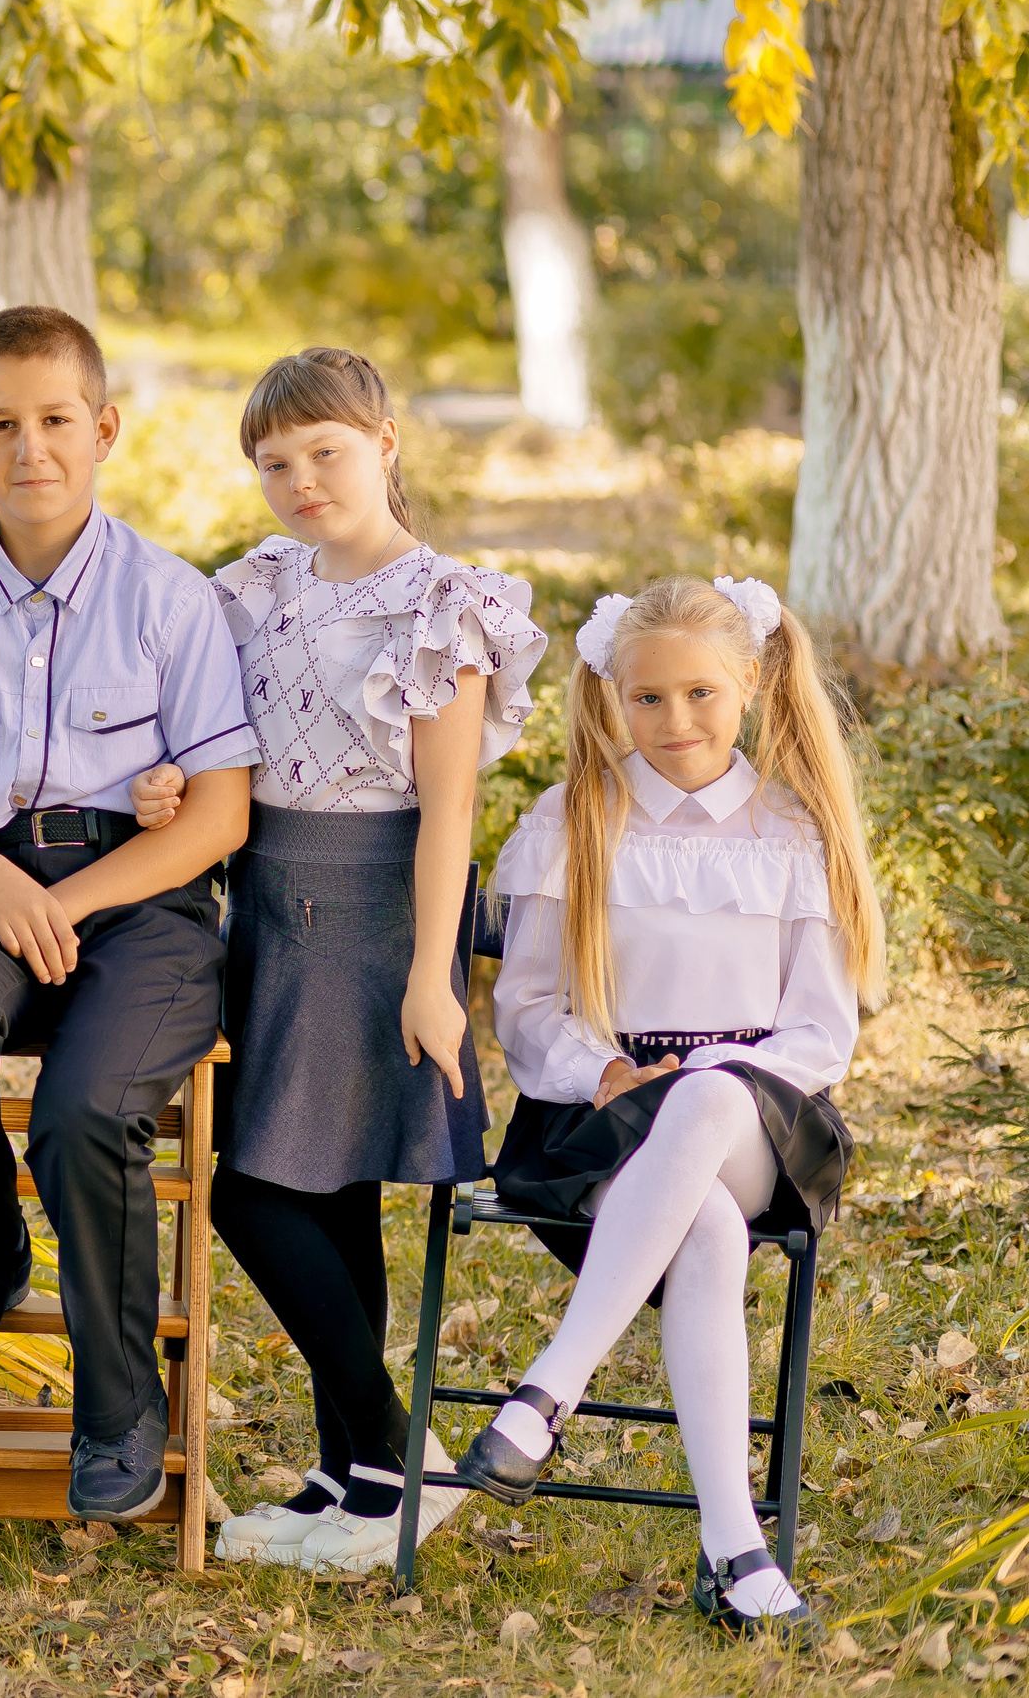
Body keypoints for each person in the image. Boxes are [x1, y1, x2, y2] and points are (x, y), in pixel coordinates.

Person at [136, 348, 547, 1572]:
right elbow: (215, 741)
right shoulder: (259, 585)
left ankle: (396, 1452)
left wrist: (432, 977)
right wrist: (166, 784)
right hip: (265, 902)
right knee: (326, 1193)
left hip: (374, 915)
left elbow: (448, 811)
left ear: (384, 443)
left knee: (251, 1191)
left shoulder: (439, 606)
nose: (301, 480)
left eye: (325, 451)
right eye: (274, 463)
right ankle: (352, 1478)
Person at [0, 305, 258, 1523]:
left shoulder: (170, 601)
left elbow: (216, 817)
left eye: (56, 421)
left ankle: (118, 1406)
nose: (31, 448)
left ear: (104, 430)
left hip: (141, 906)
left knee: (85, 1113)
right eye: (2, 425)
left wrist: (58, 901)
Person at [454, 574, 879, 1643]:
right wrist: (599, 1069)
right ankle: (738, 1554)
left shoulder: (793, 831)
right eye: (647, 698)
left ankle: (548, 1391)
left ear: (750, 684)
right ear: (613, 696)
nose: (675, 720)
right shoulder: (573, 819)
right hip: (602, 1120)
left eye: (700, 693)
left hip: (759, 1119)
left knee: (708, 1103)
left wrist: (711, 1075)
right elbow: (528, 1008)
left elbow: (819, 1034)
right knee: (706, 1233)